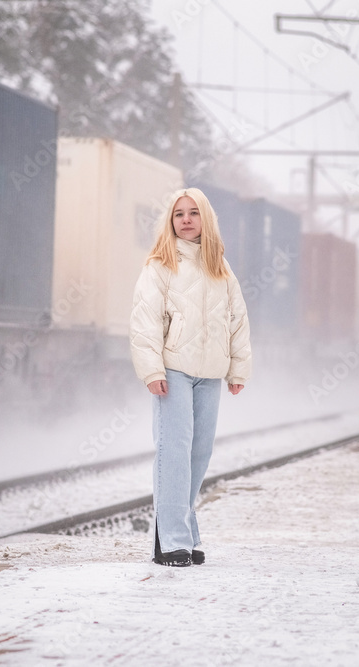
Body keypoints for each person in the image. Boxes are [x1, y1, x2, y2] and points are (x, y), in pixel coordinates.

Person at [129, 187, 252, 567]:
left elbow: (237, 320)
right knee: (174, 451)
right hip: (173, 371)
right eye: (179, 214)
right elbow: (144, 321)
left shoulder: (221, 268)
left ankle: (179, 533)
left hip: (210, 374)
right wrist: (151, 369)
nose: (185, 219)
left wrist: (237, 368)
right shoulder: (160, 266)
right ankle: (173, 542)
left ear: (206, 220)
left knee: (199, 453)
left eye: (193, 213)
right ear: (171, 221)